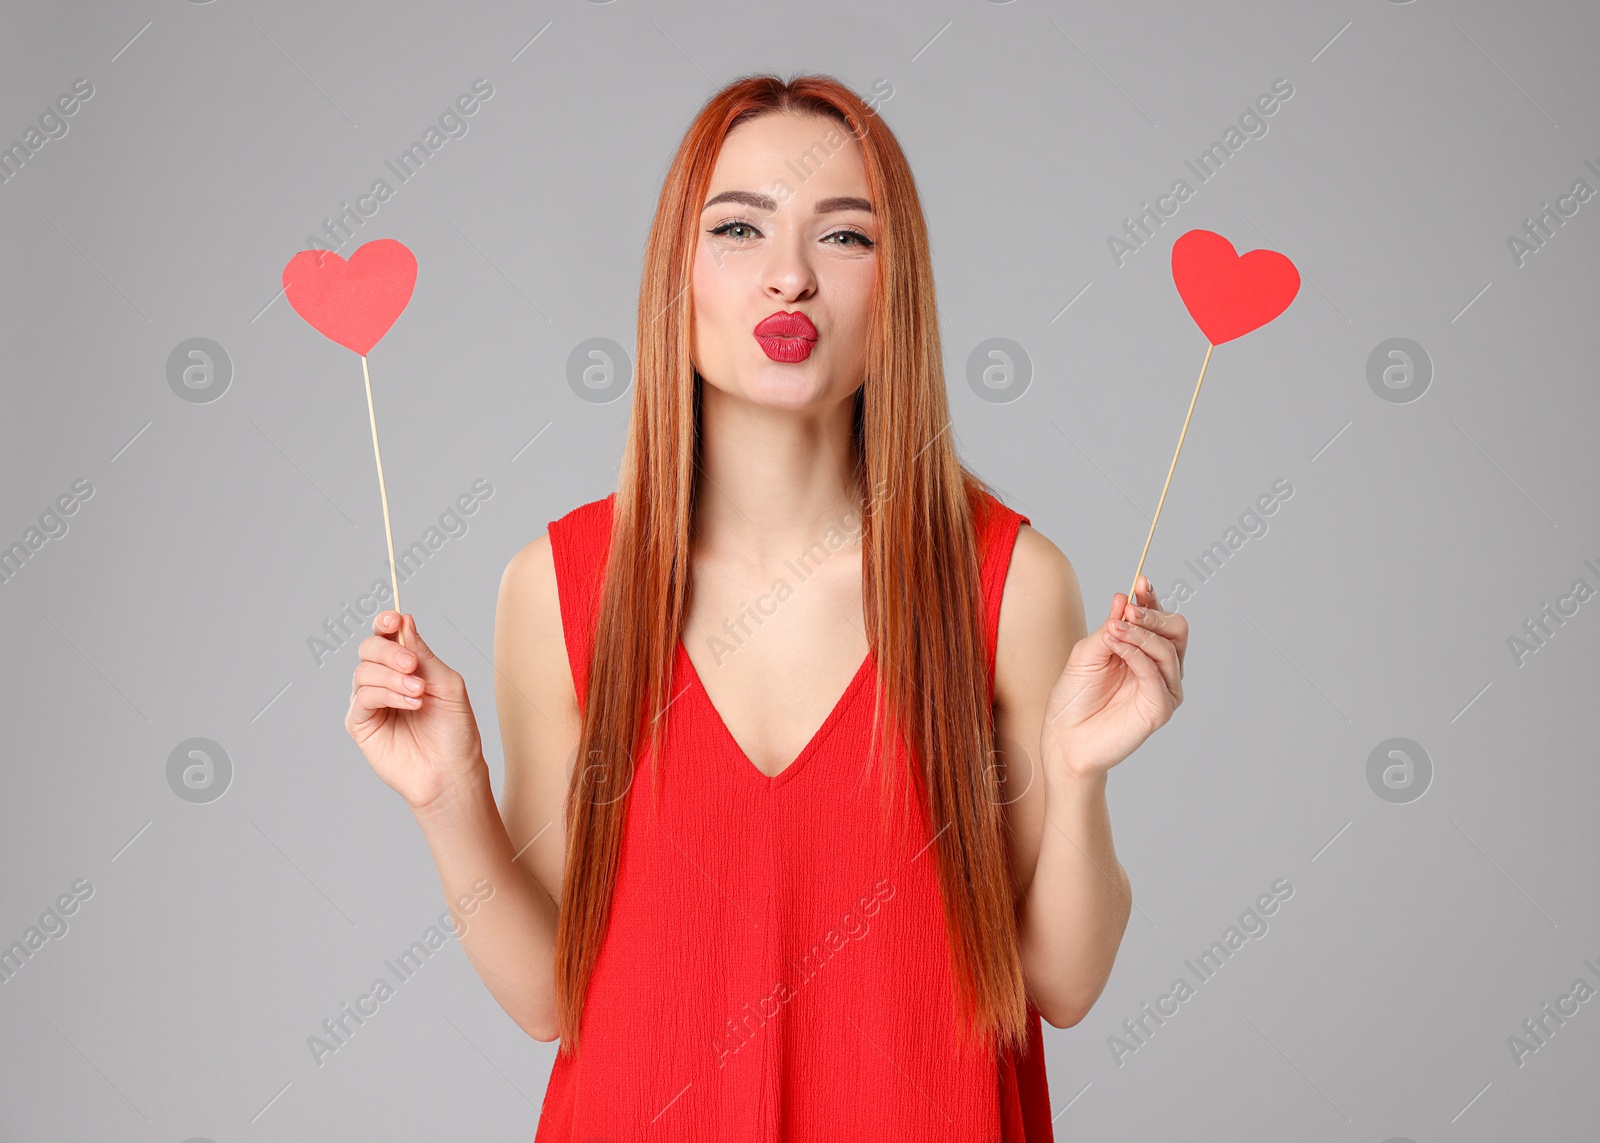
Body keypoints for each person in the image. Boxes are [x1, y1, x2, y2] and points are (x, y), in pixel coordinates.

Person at [346, 73, 1187, 1141]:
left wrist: (1076, 778)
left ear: (898, 289)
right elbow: (551, 1000)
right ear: (674, 276)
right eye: (738, 229)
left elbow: (1060, 986)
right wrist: (445, 796)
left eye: (845, 239)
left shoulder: (1011, 581)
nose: (789, 277)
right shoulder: (558, 587)